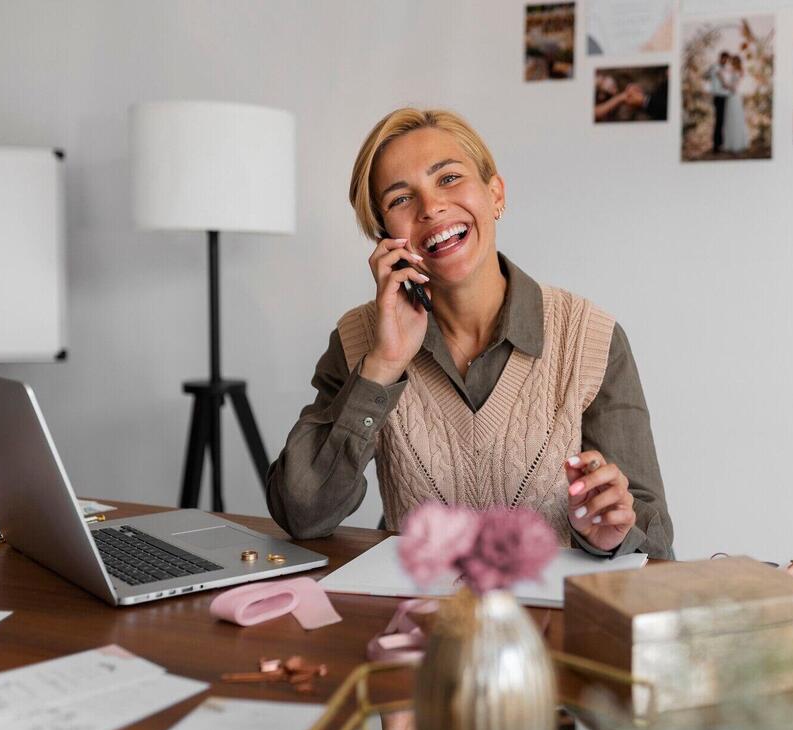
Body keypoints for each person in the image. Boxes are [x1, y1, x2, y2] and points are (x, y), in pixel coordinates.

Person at [266, 108, 674, 561]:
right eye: (401, 199)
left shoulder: (590, 339)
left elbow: (656, 546)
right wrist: (382, 366)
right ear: (387, 238)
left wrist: (609, 533)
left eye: (448, 178)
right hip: (418, 619)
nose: (430, 207)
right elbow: (301, 513)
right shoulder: (360, 341)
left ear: (495, 193)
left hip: (547, 624)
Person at [720, 55, 749, 153]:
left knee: (736, 118)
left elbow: (734, 87)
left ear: (736, 62)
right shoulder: (733, 70)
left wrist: (724, 83)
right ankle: (731, 143)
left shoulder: (740, 71)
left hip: (735, 96)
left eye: (732, 61)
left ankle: (736, 144)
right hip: (732, 96)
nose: (731, 63)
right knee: (731, 118)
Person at [706, 51, 731, 152]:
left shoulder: (722, 67)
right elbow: (722, 80)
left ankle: (720, 143)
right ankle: (716, 146)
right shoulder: (716, 66)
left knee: (721, 120)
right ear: (721, 57)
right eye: (725, 58)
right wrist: (728, 86)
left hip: (723, 96)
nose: (726, 60)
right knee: (719, 121)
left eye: (727, 59)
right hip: (718, 96)